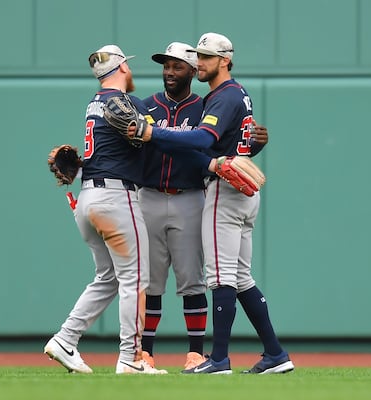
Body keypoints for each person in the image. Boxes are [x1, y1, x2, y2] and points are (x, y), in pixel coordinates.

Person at [133, 32, 294, 374]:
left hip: (225, 190)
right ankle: (276, 354)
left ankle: (218, 359)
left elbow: (204, 140)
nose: (200, 62)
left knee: (220, 278)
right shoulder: (236, 94)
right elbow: (234, 144)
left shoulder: (222, 96)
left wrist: (154, 133)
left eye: (205, 57)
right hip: (239, 188)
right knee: (241, 278)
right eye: (199, 56)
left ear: (224, 60)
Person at [43, 44, 167, 375]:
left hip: (88, 197)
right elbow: (152, 141)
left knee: (108, 277)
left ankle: (65, 339)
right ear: (123, 67)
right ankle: (131, 358)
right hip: (116, 198)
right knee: (135, 279)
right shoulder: (124, 102)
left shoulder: (94, 103)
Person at [138, 42, 208, 371]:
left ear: (193, 71)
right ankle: (145, 353)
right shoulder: (146, 105)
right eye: (166, 65)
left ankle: (196, 353)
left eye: (177, 66)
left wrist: (254, 144)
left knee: (192, 281)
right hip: (149, 195)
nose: (169, 72)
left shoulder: (205, 107)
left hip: (189, 197)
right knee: (150, 282)